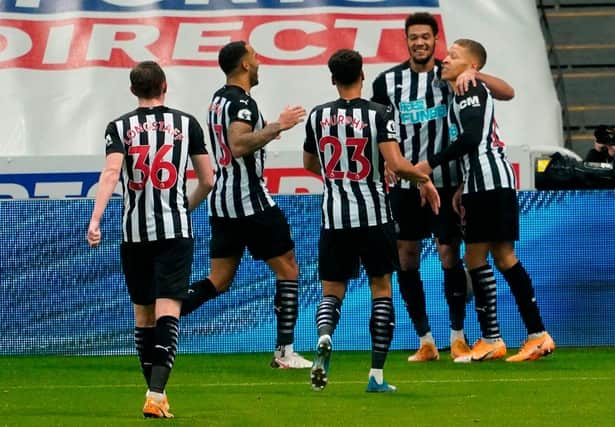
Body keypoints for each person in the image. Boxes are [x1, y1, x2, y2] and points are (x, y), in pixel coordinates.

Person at [370, 12, 515, 362]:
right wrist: (389, 166)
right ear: (405, 41)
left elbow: (507, 93)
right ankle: (425, 339)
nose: (419, 42)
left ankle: (458, 336)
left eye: (426, 37)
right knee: (406, 257)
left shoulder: (451, 74)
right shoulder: (387, 82)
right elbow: (377, 130)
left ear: (435, 40)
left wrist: (474, 72)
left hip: (446, 181)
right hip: (406, 183)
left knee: (450, 254)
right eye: (413, 37)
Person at [303, 49, 441, 392]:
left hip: (334, 216)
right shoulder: (379, 113)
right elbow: (395, 163)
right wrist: (423, 180)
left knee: (331, 291)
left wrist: (339, 177)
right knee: (382, 290)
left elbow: (309, 163)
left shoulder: (318, 116)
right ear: (362, 75)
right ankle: (376, 375)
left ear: (333, 79)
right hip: (374, 214)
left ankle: (324, 336)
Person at [86, 60, 214, 418]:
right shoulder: (187, 124)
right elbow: (208, 179)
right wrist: (184, 207)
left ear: (133, 90)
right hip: (174, 232)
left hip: (134, 235)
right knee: (168, 311)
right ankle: (156, 393)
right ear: (165, 86)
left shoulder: (119, 126)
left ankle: (155, 395)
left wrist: (95, 219)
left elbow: (112, 172)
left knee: (143, 315)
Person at [179, 40, 312, 369]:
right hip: (250, 202)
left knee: (219, 280)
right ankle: (284, 352)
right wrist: (278, 125)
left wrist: (267, 132)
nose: (259, 61)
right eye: (255, 57)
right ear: (244, 65)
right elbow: (238, 144)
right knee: (288, 269)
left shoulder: (218, 98)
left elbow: (235, 141)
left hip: (223, 203)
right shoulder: (242, 103)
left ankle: (162, 313)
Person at [425, 38, 555, 362]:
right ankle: (534, 335)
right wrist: (462, 186)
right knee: (502, 257)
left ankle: (494, 337)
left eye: (453, 56)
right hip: (487, 181)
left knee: (478, 258)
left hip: (488, 183)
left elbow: (471, 139)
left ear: (471, 66)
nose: (444, 59)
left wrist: (429, 164)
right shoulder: (464, 90)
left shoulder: (469, 88)